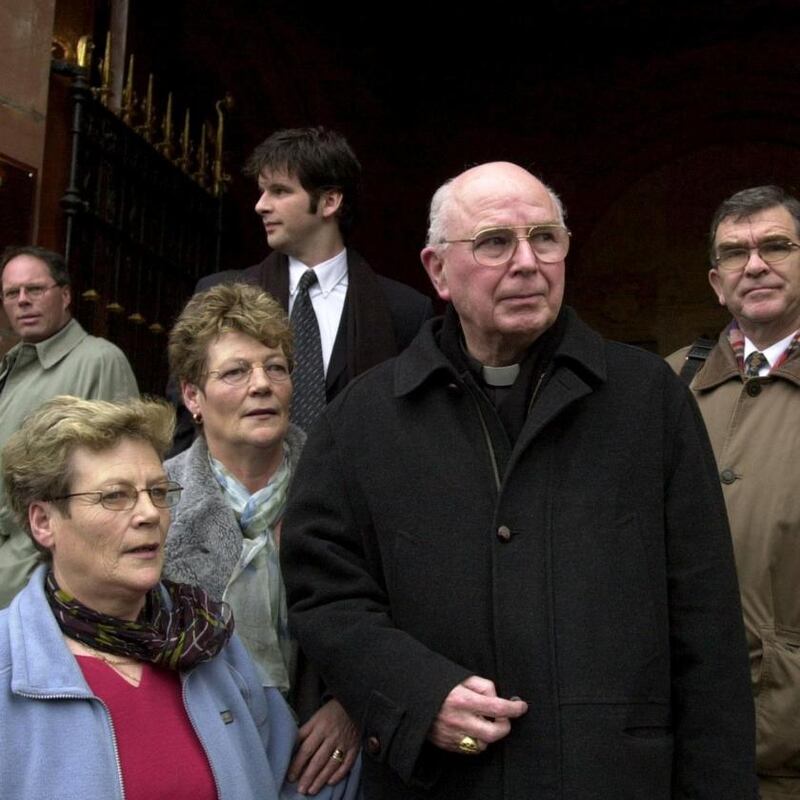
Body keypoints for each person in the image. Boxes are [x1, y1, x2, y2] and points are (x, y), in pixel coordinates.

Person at [281, 161, 756, 799]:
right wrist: (418, 694)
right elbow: (325, 596)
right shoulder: (363, 421)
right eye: (495, 242)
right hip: (443, 783)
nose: (527, 262)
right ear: (437, 270)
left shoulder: (649, 403)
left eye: (546, 238)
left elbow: (707, 629)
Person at [0, 394, 356, 800]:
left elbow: (294, 779)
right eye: (115, 496)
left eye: (158, 491)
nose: (149, 513)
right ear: (43, 522)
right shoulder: (10, 670)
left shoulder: (207, 642)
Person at [163, 282, 359, 797]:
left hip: (322, 774)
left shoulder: (347, 488)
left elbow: (398, 617)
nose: (262, 385)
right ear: (191, 396)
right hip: (195, 764)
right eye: (235, 371)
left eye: (276, 367)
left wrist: (353, 706)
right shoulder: (156, 502)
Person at [170, 126, 432, 451]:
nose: (260, 205)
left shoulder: (404, 311)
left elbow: (416, 430)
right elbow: (185, 419)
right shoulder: (219, 294)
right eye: (262, 191)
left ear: (329, 201)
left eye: (279, 191)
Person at [667, 184, 800, 800]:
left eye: (776, 246)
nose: (755, 264)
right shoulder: (667, 384)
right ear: (716, 282)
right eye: (734, 252)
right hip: (683, 741)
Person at [0, 245, 138, 607]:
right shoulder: (9, 369)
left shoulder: (99, 360)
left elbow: (114, 483)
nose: (23, 300)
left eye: (35, 289)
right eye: (12, 293)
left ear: (65, 295)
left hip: (41, 581)